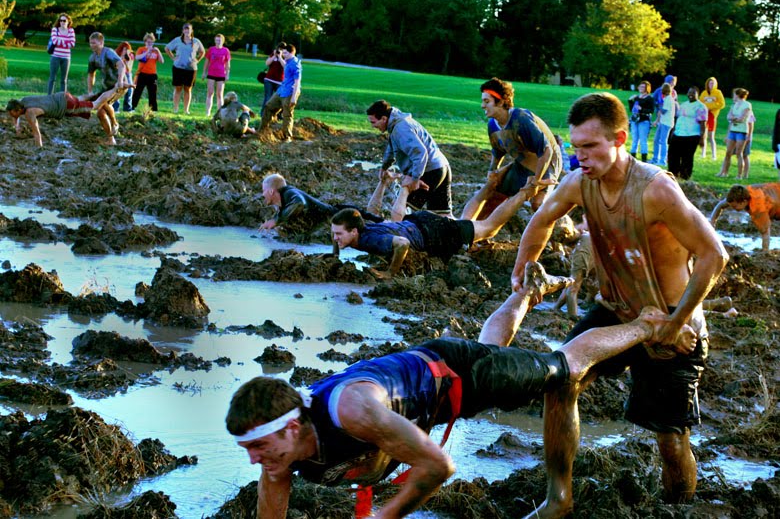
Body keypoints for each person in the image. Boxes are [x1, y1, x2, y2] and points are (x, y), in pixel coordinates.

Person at [226, 258, 696, 519]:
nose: (254, 459)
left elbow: (438, 464)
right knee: (493, 344)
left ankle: (645, 323)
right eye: (248, 448)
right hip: (434, 379)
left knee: (565, 367)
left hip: (459, 373)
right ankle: (527, 294)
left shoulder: (352, 411)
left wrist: (383, 518)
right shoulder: (279, 460)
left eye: (259, 445)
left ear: (291, 426)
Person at [508, 92, 728, 518]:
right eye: (575, 146)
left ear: (620, 139)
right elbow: (542, 218)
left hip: (671, 323)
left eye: (590, 146)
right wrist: (526, 263)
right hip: (615, 310)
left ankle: (676, 509)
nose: (580, 156)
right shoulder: (578, 182)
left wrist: (677, 318)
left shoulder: (656, 189)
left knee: (670, 439)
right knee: (560, 380)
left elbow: (713, 255)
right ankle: (559, 498)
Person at [330, 177, 548, 279]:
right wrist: (334, 253)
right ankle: (490, 185)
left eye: (339, 235)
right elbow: (358, 219)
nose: (335, 238)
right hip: (420, 222)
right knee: (467, 221)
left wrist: (390, 272)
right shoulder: (357, 227)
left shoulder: (368, 240)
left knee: (488, 228)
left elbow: (402, 244)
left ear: (354, 232)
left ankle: (524, 193)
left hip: (434, 234)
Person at [461, 78, 561, 222]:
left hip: (546, 165)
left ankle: (559, 236)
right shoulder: (493, 124)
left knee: (538, 205)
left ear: (501, 102)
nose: (482, 105)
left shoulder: (521, 119)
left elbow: (546, 151)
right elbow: (498, 150)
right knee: (494, 194)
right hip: (522, 165)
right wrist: (493, 170)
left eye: (487, 101)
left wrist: (535, 182)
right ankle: (477, 233)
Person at [366, 99, 453, 217]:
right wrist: (384, 167)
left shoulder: (400, 129)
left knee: (401, 208)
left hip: (429, 171)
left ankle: (397, 233)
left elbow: (420, 153)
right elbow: (391, 150)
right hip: (442, 167)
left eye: (373, 122)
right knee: (441, 215)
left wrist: (414, 178)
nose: (372, 126)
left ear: (384, 119)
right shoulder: (398, 123)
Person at [259, 173, 383, 232]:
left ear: (271, 191)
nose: (262, 194)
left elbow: (299, 204)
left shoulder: (289, 193)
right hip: (334, 215)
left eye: (263, 191)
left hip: (337, 217)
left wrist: (276, 221)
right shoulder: (284, 200)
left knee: (375, 226)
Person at [6, 90, 120, 147]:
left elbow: (37, 133)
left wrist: (39, 148)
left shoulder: (30, 113)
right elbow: (15, 116)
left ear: (18, 110)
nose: (12, 117)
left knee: (95, 105)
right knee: (82, 100)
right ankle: (96, 93)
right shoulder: (24, 100)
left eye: (12, 114)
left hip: (66, 105)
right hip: (61, 96)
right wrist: (17, 127)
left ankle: (115, 89)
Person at [86, 32, 130, 146]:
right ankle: (111, 140)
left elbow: (121, 65)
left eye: (94, 43)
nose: (92, 45)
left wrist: (120, 81)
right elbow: (91, 75)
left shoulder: (108, 52)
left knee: (102, 101)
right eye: (90, 43)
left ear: (101, 42)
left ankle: (115, 123)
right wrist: (90, 91)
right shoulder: (92, 57)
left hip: (119, 86)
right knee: (100, 113)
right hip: (106, 87)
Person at [710, 183, 780, 251]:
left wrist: (765, 251)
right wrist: (712, 222)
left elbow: (765, 232)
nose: (733, 208)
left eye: (734, 206)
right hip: (775, 192)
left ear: (743, 202)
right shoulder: (741, 193)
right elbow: (720, 205)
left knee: (764, 229)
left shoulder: (757, 207)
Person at [259, 44, 301, 141]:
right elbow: (270, 62)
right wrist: (276, 55)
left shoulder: (295, 64)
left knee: (287, 114)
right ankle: (261, 132)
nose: (283, 54)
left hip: (290, 92)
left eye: (285, 53)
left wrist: (294, 97)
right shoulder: (287, 60)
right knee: (269, 106)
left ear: (291, 53)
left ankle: (287, 137)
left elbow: (297, 82)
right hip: (281, 90)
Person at [667, 86, 708, 180]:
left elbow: (703, 123)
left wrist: (702, 137)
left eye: (693, 93)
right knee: (673, 155)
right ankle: (673, 174)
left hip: (692, 135)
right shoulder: (684, 104)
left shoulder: (701, 106)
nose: (690, 95)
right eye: (689, 92)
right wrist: (673, 131)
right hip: (678, 133)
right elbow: (678, 118)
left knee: (687, 157)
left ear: (698, 94)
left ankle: (685, 176)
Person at [165, 23, 206, 115]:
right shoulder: (177, 40)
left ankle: (186, 110)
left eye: (189, 29)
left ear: (192, 31)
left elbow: (202, 52)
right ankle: (175, 109)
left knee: (188, 89)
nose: (187, 31)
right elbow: (167, 48)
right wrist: (172, 57)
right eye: (185, 29)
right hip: (178, 67)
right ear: (183, 31)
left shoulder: (196, 41)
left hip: (191, 69)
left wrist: (197, 60)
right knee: (178, 88)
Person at [717, 88, 752, 178]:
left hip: (742, 131)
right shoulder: (734, 105)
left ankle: (739, 175)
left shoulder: (747, 105)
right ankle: (724, 172)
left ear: (737, 95)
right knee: (728, 152)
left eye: (734, 94)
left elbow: (742, 118)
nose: (733, 96)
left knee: (739, 153)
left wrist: (733, 118)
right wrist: (734, 118)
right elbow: (728, 116)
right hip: (732, 130)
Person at [132, 33, 165, 112]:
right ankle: (132, 106)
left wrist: (158, 51)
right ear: (145, 42)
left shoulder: (155, 51)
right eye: (148, 42)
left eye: (151, 42)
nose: (150, 44)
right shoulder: (141, 49)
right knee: (138, 91)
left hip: (152, 74)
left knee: (152, 93)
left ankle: (153, 109)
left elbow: (162, 61)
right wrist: (147, 52)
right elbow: (137, 57)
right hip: (142, 73)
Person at [203, 34, 231, 117]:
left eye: (220, 40)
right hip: (211, 73)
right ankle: (208, 112)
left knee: (219, 94)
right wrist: (204, 72)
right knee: (210, 92)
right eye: (217, 40)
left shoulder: (225, 51)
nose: (218, 42)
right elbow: (206, 62)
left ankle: (220, 113)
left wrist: (227, 74)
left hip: (221, 74)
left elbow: (227, 64)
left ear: (222, 41)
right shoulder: (211, 49)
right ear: (215, 41)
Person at [47, 13, 75, 95]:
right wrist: (66, 41)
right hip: (55, 56)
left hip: (66, 57)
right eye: (60, 20)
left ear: (68, 21)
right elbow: (55, 41)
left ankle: (62, 97)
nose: (62, 22)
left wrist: (61, 41)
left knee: (64, 79)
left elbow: (72, 44)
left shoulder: (71, 31)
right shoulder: (55, 29)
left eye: (64, 20)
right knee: (52, 78)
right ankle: (49, 96)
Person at [627, 80, 654, 162]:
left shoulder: (649, 98)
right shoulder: (637, 97)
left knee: (643, 140)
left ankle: (644, 160)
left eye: (643, 87)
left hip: (644, 121)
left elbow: (651, 110)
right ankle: (633, 159)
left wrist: (642, 109)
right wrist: (630, 101)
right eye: (640, 86)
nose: (641, 88)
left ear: (647, 88)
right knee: (634, 140)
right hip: (635, 120)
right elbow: (632, 109)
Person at [699, 77, 725, 160]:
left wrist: (712, 106)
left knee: (711, 136)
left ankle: (714, 155)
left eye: (713, 83)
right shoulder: (704, 93)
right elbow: (700, 103)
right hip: (704, 116)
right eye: (710, 83)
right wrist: (706, 104)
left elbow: (722, 104)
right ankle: (703, 154)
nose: (711, 85)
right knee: (703, 135)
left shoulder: (718, 93)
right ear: (707, 84)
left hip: (712, 116)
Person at [650, 82, 675, 166]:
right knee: (656, 140)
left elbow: (664, 111)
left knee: (663, 141)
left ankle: (662, 160)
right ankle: (655, 158)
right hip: (662, 122)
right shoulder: (666, 99)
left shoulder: (668, 99)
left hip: (666, 123)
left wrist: (658, 104)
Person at [261, 44, 286, 116]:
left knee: (279, 98)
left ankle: (277, 115)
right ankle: (264, 114)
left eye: (282, 49)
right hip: (269, 79)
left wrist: (280, 57)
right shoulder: (273, 54)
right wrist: (274, 56)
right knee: (267, 97)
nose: (279, 50)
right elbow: (267, 63)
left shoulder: (285, 56)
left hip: (279, 81)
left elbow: (285, 66)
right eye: (279, 49)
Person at [112, 41, 135, 113]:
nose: (125, 51)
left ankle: (127, 108)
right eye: (124, 49)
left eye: (127, 49)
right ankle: (115, 108)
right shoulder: (116, 54)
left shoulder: (130, 55)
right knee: (117, 89)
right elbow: (114, 66)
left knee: (130, 90)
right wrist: (120, 59)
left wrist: (125, 61)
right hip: (118, 73)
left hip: (127, 73)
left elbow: (129, 68)